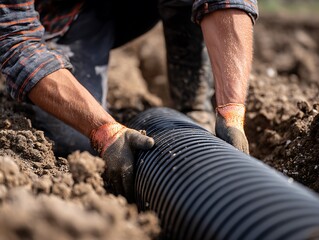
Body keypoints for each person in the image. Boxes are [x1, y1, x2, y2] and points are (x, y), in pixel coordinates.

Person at [0, 0, 258, 201]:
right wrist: (103, 131)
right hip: (62, 16)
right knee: (75, 141)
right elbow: (16, 41)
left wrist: (232, 111)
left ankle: (192, 107)